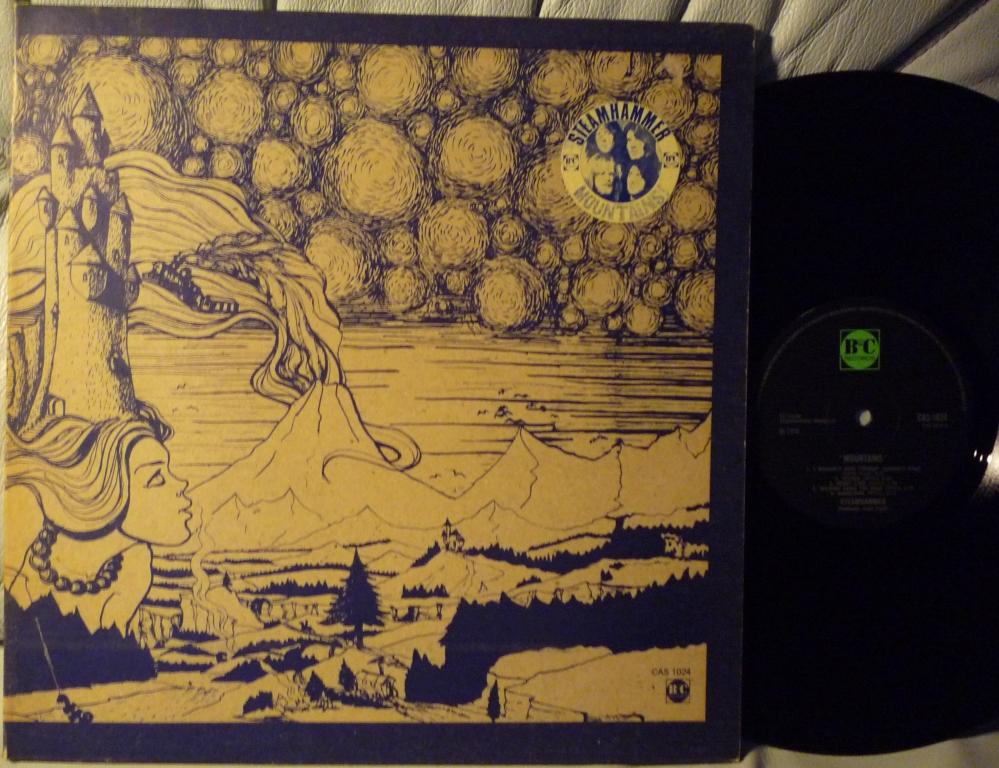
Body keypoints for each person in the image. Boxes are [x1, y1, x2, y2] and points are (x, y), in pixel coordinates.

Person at [4, 409, 192, 635]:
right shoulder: (27, 510)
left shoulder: (134, 568)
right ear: (108, 491)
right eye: (156, 478)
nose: (181, 484)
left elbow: (95, 650)